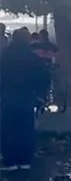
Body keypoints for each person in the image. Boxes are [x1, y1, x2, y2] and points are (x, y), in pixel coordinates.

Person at [0, 29, 50, 170]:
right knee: (25, 128)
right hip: (26, 96)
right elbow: (44, 76)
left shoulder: (6, 55)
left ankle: (10, 160)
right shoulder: (32, 57)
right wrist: (40, 94)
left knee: (8, 128)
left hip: (8, 96)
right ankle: (25, 159)